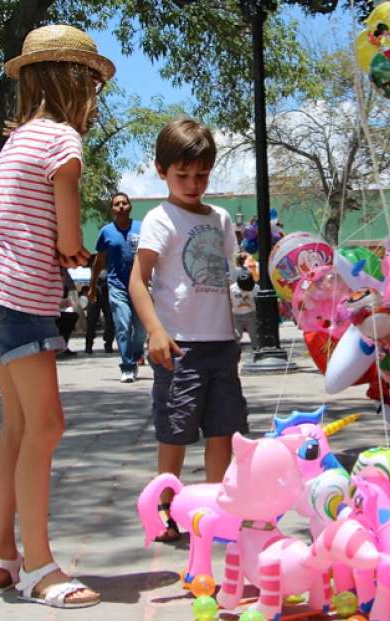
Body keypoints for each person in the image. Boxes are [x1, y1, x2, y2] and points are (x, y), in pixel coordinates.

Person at [0, 24, 112, 608]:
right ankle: (42, 567)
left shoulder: (16, 140)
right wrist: (74, 249)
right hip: (19, 291)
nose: (96, 94)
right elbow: (68, 237)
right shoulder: (64, 144)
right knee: (46, 427)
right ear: (78, 83)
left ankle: (2, 556)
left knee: (17, 427)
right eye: (93, 83)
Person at [130, 118, 247, 542]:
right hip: (179, 346)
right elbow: (135, 279)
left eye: (201, 174)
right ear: (162, 171)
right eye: (182, 175)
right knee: (175, 430)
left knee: (223, 429)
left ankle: (216, 506)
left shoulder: (219, 218)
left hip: (221, 343)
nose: (193, 183)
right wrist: (156, 331)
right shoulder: (160, 218)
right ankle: (167, 508)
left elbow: (226, 274)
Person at [90, 192, 145, 382]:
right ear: (112, 209)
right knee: (123, 324)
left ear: (130, 206)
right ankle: (127, 366)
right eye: (116, 204)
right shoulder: (106, 232)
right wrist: (92, 285)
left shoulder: (142, 228)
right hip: (117, 286)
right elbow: (99, 261)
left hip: (140, 286)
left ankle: (137, 354)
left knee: (140, 329)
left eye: (124, 203)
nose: (120, 206)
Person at [84, 268, 114, 354]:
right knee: (91, 320)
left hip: (108, 288)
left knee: (110, 320)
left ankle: (108, 344)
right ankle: (88, 345)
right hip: (95, 287)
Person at [230, 268, 259, 350]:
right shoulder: (232, 289)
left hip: (251, 314)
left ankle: (256, 350)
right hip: (236, 315)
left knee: (254, 335)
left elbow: (259, 300)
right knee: (236, 336)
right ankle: (235, 352)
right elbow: (229, 301)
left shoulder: (255, 288)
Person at [55, 269, 79, 357]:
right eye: (61, 275)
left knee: (72, 317)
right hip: (48, 313)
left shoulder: (65, 288)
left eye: (63, 275)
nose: (63, 278)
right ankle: (59, 347)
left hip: (59, 312)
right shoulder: (52, 286)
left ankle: (63, 346)